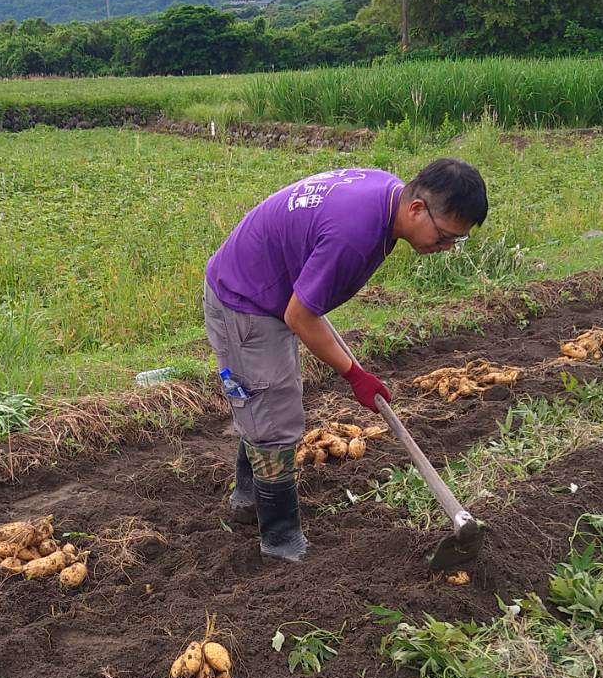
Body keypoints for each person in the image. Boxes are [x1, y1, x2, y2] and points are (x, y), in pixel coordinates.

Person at [202, 159, 489, 562]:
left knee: (267, 401)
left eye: (454, 242)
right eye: (444, 237)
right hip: (244, 299)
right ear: (417, 209)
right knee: (273, 411)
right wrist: (355, 375)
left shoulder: (388, 193)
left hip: (270, 285)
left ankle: (248, 499)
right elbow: (300, 316)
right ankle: (280, 540)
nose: (443, 249)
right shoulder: (355, 236)